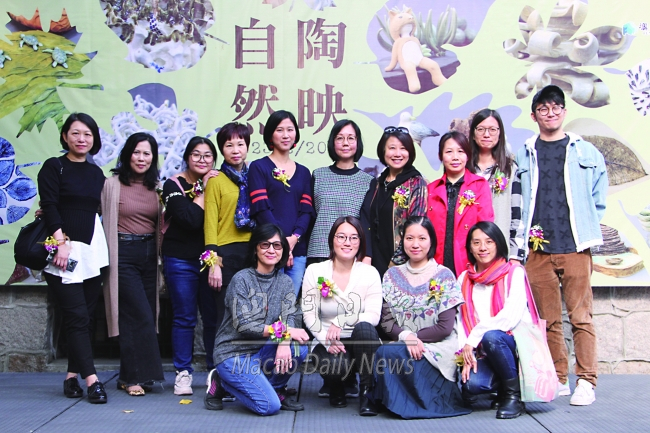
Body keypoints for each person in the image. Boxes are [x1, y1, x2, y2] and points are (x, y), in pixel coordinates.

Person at [514, 84, 607, 406]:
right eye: (543, 109)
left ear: (564, 112)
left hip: (575, 245)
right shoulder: (525, 152)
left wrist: (586, 222)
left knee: (581, 317)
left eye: (556, 108)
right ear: (534, 115)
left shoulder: (584, 151)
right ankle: (559, 377)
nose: (550, 113)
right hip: (537, 249)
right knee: (548, 320)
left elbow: (598, 196)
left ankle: (587, 381)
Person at [37, 113, 109, 404]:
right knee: (77, 315)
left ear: (94, 139)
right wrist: (60, 243)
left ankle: (71, 377)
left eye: (87, 134)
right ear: (65, 136)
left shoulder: (96, 173)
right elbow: (49, 205)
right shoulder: (54, 166)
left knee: (86, 316)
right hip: (63, 251)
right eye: (76, 133)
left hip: (92, 251)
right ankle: (92, 380)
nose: (81, 139)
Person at [204, 224, 310, 415]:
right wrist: (285, 332)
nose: (271, 250)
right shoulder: (241, 279)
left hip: (261, 350)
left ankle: (276, 388)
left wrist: (284, 341)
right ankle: (221, 381)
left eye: (277, 245)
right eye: (265, 245)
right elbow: (244, 325)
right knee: (269, 406)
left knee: (298, 348)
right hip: (233, 353)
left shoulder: (284, 281)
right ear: (255, 249)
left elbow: (291, 316)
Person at [374, 216, 470, 419]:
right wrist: (407, 337)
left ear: (431, 241)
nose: (415, 244)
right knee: (384, 351)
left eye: (422, 238)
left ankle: (415, 404)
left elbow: (445, 327)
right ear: (402, 240)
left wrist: (415, 339)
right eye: (409, 238)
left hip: (437, 346)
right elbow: (386, 322)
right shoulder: (391, 275)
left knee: (390, 353)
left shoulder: (444, 275)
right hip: (403, 342)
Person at [101, 132, 165, 396]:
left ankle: (128, 376)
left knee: (145, 314)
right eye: (136, 152)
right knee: (137, 314)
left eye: (147, 153)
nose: (141, 158)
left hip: (149, 255)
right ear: (127, 155)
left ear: (153, 158)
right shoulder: (111, 185)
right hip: (123, 253)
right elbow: (87, 210)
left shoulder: (157, 188)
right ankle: (135, 377)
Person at [302, 216, 382, 415]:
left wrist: (342, 320)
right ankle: (335, 385)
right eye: (341, 237)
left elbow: (373, 315)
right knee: (335, 366)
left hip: (359, 340)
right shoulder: (315, 270)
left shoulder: (370, 272)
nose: (348, 243)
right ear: (332, 240)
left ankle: (367, 392)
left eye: (354, 238)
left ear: (360, 242)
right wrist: (325, 339)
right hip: (328, 340)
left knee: (365, 329)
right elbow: (309, 314)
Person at [457, 221, 537, 419]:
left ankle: (513, 396)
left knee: (492, 337)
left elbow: (509, 317)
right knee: (472, 385)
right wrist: (465, 354)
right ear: (470, 248)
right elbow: (460, 321)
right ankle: (501, 386)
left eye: (489, 241)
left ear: (498, 244)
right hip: (481, 349)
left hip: (512, 344)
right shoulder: (464, 278)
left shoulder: (514, 272)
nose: (482, 247)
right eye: (476, 243)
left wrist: (474, 337)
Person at [161, 136, 220, 396]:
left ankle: (215, 372)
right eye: (196, 154)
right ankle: (183, 373)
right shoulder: (173, 184)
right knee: (185, 317)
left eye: (208, 155)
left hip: (211, 260)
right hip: (180, 259)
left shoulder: (219, 181)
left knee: (212, 318)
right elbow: (189, 220)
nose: (202, 160)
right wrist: (205, 190)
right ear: (187, 157)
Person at [249, 110, 314, 296]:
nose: (286, 135)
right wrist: (281, 244)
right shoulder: (258, 167)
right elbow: (262, 209)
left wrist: (294, 239)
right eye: (279, 130)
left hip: (297, 250)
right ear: (270, 134)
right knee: (267, 303)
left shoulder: (304, 172)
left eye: (290, 130)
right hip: (269, 249)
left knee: (289, 303)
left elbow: (306, 211)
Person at [204, 123, 255, 329]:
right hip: (225, 254)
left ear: (247, 146)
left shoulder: (255, 177)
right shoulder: (216, 180)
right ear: (221, 149)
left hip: (253, 252)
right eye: (229, 145)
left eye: (240, 144)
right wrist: (213, 263)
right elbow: (210, 223)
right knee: (226, 315)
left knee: (251, 314)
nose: (235, 150)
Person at [361, 126, 427, 278]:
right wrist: (367, 255)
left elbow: (416, 227)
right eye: (392, 148)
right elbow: (367, 220)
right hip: (373, 262)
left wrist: (395, 264)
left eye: (403, 148)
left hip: (402, 265)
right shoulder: (377, 183)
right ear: (383, 151)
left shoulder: (416, 183)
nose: (397, 153)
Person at [427, 131, 494, 277]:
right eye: (449, 152)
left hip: (468, 262)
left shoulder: (479, 185)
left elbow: (485, 227)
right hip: (436, 263)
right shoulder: (431, 189)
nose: (455, 157)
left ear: (468, 155)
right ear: (440, 156)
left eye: (460, 151)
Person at [307, 120, 373, 266]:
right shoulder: (318, 175)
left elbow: (366, 223)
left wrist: (366, 254)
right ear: (332, 142)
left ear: (358, 142)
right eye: (340, 138)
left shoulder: (368, 181)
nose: (345, 143)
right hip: (319, 252)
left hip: (350, 254)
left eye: (351, 138)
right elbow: (310, 217)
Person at [469, 108, 522, 253]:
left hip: (500, 248)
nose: (486, 134)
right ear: (473, 134)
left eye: (492, 129)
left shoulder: (510, 169)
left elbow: (517, 214)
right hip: (467, 249)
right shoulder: (464, 168)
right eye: (481, 129)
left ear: (500, 133)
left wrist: (515, 254)